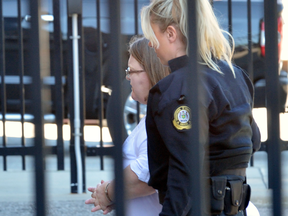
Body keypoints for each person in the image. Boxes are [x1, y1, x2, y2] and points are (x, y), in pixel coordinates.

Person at [140, 0, 261, 216]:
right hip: (234, 206)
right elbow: (254, 140)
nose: (150, 44)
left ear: (170, 34)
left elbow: (186, 171)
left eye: (152, 36)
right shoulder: (235, 75)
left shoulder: (176, 88)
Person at [85, 36, 170, 216]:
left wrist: (109, 193)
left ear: (150, 72)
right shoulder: (154, 114)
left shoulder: (163, 117)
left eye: (131, 70)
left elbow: (148, 173)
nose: (127, 77)